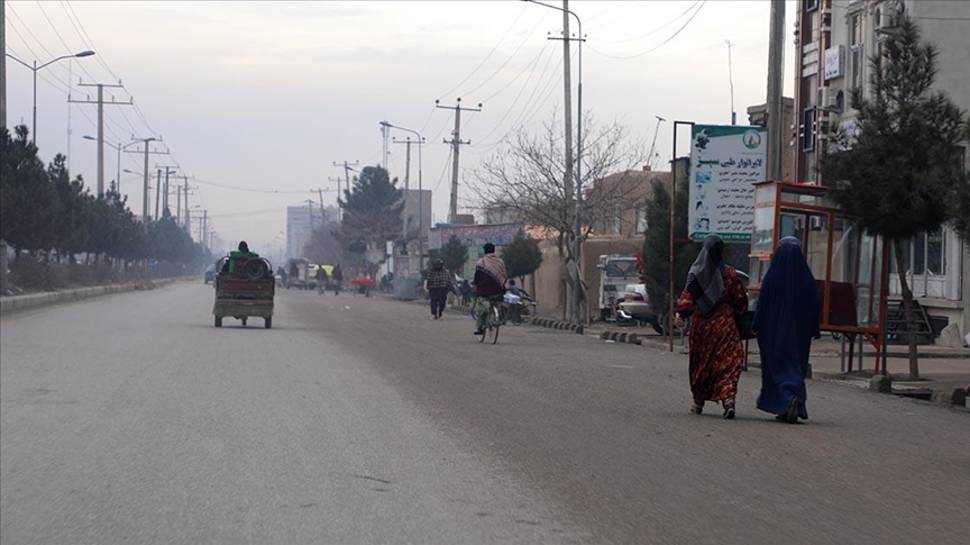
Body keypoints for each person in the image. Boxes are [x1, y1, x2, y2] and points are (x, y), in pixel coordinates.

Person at [675, 235, 748, 419]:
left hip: (703, 328)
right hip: (725, 327)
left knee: (701, 364)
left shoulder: (695, 273)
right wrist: (740, 317)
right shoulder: (730, 274)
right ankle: (728, 399)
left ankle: (698, 402)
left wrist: (681, 315)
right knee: (729, 362)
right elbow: (741, 301)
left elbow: (686, 300)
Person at [753, 236, 820, 424]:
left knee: (776, 366)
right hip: (799, 334)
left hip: (773, 333)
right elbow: (815, 306)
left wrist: (756, 326)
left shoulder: (772, 277)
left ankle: (786, 400)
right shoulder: (806, 278)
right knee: (795, 366)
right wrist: (814, 329)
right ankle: (792, 402)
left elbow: (762, 304)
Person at [472, 243, 507, 335]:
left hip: (484, 291)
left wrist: (475, 286)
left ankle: (480, 328)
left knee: (481, 307)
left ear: (484, 250)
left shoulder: (481, 262)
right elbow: (504, 275)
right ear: (493, 250)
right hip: (498, 290)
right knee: (497, 303)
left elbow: (477, 277)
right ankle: (499, 317)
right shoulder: (500, 262)